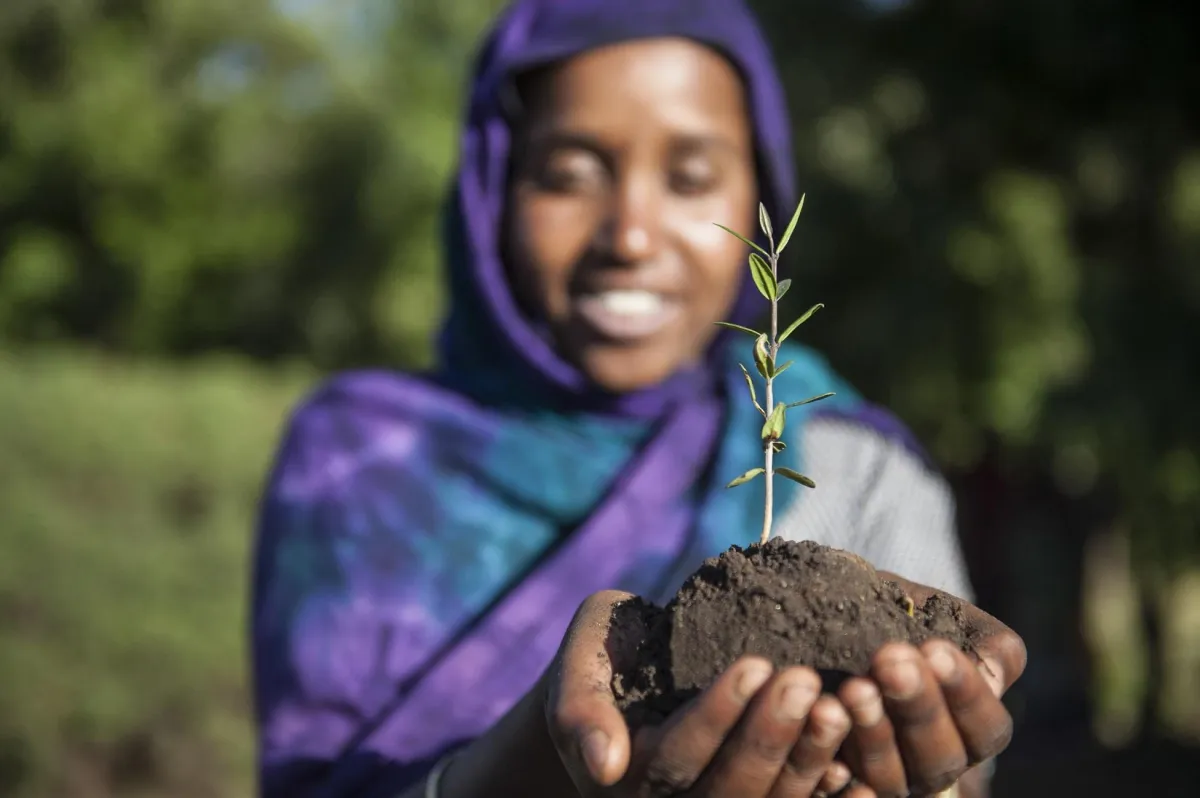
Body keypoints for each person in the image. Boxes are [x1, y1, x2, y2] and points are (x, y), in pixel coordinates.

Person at [250, 1, 1027, 796]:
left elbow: (953, 766)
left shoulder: (852, 467)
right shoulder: (364, 461)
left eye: (691, 177)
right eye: (569, 175)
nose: (630, 236)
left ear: (758, 199)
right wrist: (541, 765)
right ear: (494, 192)